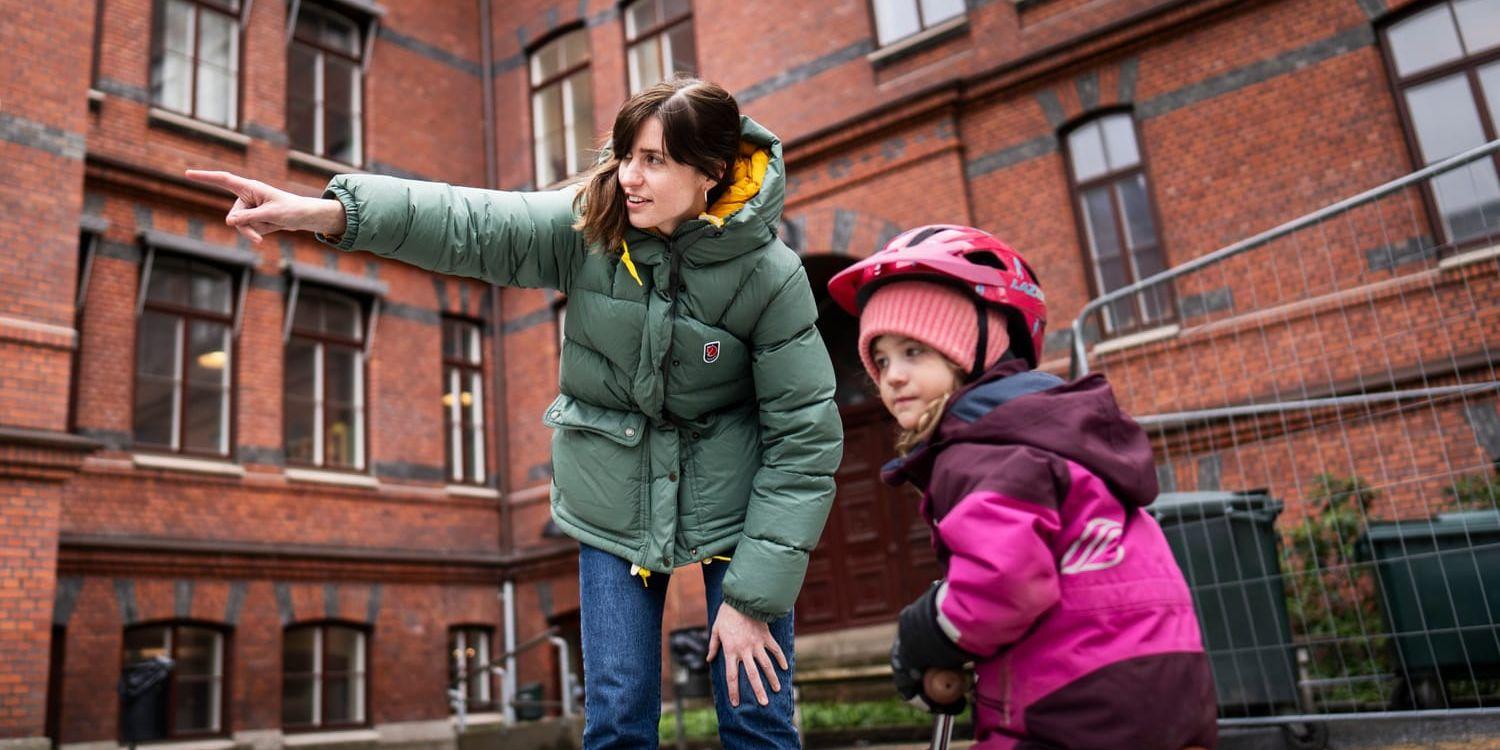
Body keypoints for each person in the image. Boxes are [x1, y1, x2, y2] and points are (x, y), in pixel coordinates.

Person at [188, 77, 842, 750]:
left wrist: (750, 601)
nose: (629, 177)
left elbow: (805, 440)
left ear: (710, 173)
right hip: (611, 487)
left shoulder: (770, 275)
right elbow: (468, 223)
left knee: (755, 712)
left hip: (735, 497)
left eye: (654, 160)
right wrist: (323, 213)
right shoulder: (592, 224)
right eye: (625, 155)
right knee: (618, 716)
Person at [826, 225, 1218, 749]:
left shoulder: (988, 449)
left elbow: (1005, 583)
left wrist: (929, 634)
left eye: (914, 351)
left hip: (1074, 702)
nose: (892, 375)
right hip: (1173, 684)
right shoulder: (1055, 434)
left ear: (973, 351)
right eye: (881, 359)